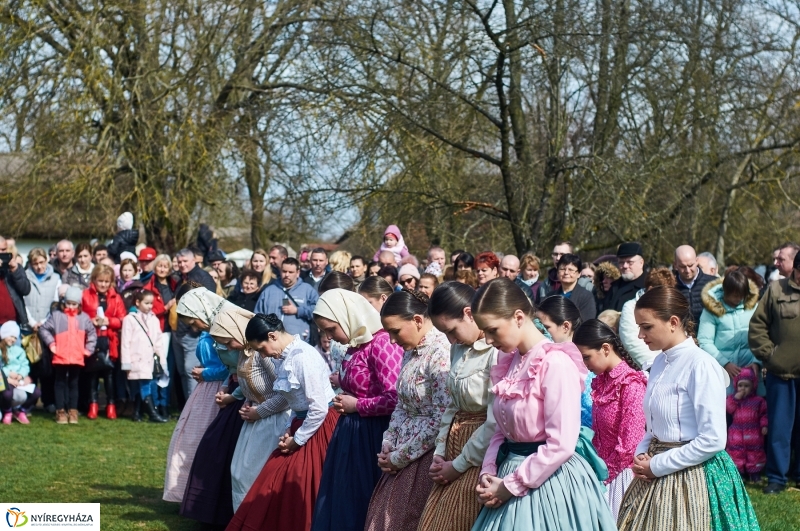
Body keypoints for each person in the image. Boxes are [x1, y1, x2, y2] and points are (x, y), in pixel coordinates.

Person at [469, 278, 615, 531]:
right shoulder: (510, 361)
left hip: (550, 482)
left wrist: (511, 485)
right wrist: (488, 471)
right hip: (506, 475)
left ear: (517, 317)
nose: (489, 340)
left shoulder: (555, 363)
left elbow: (561, 444)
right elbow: (499, 429)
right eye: (485, 331)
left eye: (493, 330)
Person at [616, 286, 758, 530]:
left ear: (673, 322)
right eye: (639, 326)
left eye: (646, 326)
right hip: (653, 469)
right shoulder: (660, 361)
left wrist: (657, 466)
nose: (640, 335)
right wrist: (642, 453)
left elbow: (713, 439)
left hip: (693, 476)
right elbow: (654, 423)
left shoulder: (701, 365)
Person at [226, 314, 339, 531]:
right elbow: (294, 402)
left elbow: (319, 407)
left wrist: (297, 439)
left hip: (321, 427)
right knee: (275, 480)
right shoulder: (284, 358)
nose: (262, 354)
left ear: (272, 336)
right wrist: (290, 428)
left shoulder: (302, 356)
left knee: (303, 484)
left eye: (261, 349)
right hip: (301, 424)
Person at [311, 289, 404, 531]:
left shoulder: (382, 343)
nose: (330, 336)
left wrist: (358, 405)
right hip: (351, 433)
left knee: (360, 498)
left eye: (332, 329)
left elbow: (395, 397)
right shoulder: (356, 345)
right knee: (342, 497)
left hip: (372, 435)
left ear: (347, 317)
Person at [363, 289, 450, 531]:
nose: (391, 340)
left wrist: (400, 458)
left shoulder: (441, 352)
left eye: (395, 331)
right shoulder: (410, 350)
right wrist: (388, 441)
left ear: (418, 320)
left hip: (425, 456)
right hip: (401, 452)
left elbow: (441, 418)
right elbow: (402, 404)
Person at [417, 282, 497, 531]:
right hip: (453, 448)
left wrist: (459, 465)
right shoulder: (457, 349)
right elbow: (452, 404)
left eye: (452, 330)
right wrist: (440, 451)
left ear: (469, 313)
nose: (450, 339)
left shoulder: (497, 351)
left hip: (479, 452)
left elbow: (495, 421)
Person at [208, 307, 291, 515]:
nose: (227, 347)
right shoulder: (244, 353)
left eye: (228, 341)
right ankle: (245, 521)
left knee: (254, 475)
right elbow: (248, 384)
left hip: (273, 421)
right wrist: (239, 397)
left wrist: (260, 411)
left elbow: (285, 394)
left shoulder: (263, 353)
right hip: (255, 420)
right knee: (240, 474)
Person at [573, 319, 647, 519]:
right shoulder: (602, 382)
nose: (585, 364)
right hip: (601, 472)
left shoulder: (631, 384)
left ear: (605, 348)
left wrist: (603, 477)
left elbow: (629, 446)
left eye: (586, 357)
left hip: (622, 477)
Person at [165, 287, 232, 503]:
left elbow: (229, 367)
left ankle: (205, 495)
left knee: (207, 442)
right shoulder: (206, 332)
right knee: (187, 442)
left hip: (218, 388)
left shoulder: (220, 332)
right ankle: (187, 492)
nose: (194, 327)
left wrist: (206, 372)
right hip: (204, 390)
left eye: (194, 322)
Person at [748, 252, 800, 494]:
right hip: (782, 373)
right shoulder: (777, 290)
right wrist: (771, 355)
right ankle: (777, 478)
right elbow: (758, 326)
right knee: (779, 428)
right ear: (796, 269)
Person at [39, 286, 97, 425]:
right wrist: (52, 344)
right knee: (59, 383)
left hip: (77, 356)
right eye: (68, 303)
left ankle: (73, 410)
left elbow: (92, 333)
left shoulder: (83, 318)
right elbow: (44, 329)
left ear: (79, 304)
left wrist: (88, 349)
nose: (71, 306)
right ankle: (60, 411)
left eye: (74, 304)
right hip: (60, 355)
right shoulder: (57, 316)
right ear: (64, 302)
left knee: (73, 383)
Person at [698, 269, 761, 394]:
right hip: (723, 376)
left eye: (742, 294)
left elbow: (762, 336)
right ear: (726, 291)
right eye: (735, 294)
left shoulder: (754, 307)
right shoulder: (711, 310)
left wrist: (757, 362)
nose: (739, 298)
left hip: (750, 377)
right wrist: (724, 363)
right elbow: (705, 341)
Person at [536, 295, 594, 428]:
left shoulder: (586, 361)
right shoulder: (540, 356)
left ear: (566, 326)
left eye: (546, 327)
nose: (540, 333)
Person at [81, 264, 126, 420]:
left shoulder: (116, 296)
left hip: (109, 339)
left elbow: (122, 319)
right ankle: (92, 405)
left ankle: (111, 405)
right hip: (91, 339)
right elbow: (79, 316)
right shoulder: (85, 294)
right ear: (94, 280)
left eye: (107, 282)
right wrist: (90, 321)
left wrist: (108, 320)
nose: (103, 285)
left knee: (109, 374)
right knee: (92, 373)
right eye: (100, 281)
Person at [172, 248, 216, 396]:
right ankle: (186, 407)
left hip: (192, 333)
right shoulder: (181, 277)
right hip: (179, 331)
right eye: (179, 262)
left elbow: (209, 304)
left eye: (185, 261)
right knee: (183, 372)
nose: (182, 264)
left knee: (191, 371)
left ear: (194, 260)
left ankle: (192, 406)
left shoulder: (203, 277)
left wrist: (194, 329)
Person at [23, 247, 61, 412]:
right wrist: (31, 322)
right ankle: (30, 401)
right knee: (31, 368)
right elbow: (21, 302)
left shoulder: (56, 278)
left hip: (47, 328)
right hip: (28, 329)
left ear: (47, 260)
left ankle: (48, 401)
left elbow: (56, 303)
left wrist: (44, 322)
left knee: (47, 368)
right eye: (35, 263)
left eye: (41, 262)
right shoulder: (24, 278)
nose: (39, 266)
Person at [120, 289, 167, 423]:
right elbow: (125, 342)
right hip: (136, 358)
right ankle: (152, 414)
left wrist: (162, 360)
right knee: (143, 385)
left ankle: (136, 413)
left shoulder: (154, 319)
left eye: (151, 303)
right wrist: (126, 362)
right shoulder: (129, 319)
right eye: (146, 303)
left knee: (142, 384)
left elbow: (158, 342)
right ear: (138, 302)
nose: (150, 306)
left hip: (149, 358)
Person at [618, 267, 676, 371]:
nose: (664, 296)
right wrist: (653, 366)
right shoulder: (630, 307)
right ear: (650, 289)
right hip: (645, 369)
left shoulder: (668, 306)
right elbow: (632, 342)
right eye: (661, 293)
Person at [255, 258, 319, 343]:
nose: (287, 275)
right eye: (284, 271)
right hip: (272, 343)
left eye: (291, 272)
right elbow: (257, 315)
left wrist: (297, 310)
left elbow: (317, 312)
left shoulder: (307, 290)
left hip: (298, 343)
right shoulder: (269, 291)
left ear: (298, 273)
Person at [726, 367, 768, 482]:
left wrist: (764, 425)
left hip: (754, 433)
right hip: (736, 433)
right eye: (740, 385)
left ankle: (755, 473)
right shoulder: (732, 399)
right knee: (736, 453)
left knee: (755, 454)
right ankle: (740, 473)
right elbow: (729, 409)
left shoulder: (758, 401)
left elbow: (763, 414)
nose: (743, 388)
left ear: (753, 386)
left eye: (746, 386)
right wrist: (735, 399)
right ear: (736, 386)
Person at [1, 321, 41, 424]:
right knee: (7, 394)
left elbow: (25, 365)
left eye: (15, 337)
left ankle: (21, 411)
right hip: (6, 379)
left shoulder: (19, 351)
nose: (13, 340)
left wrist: (21, 375)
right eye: (11, 336)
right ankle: (7, 411)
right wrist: (8, 374)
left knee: (36, 392)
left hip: (19, 379)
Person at [673, 245, 716, 324]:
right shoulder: (670, 287)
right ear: (675, 265)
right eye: (682, 266)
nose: (687, 270)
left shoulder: (713, 283)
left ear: (697, 261)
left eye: (690, 265)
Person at [552, 254, 597, 322]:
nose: (566, 272)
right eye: (562, 269)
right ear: (557, 272)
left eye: (571, 270)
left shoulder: (586, 297)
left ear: (579, 274)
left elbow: (587, 322)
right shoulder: (550, 296)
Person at [0, 236, 31, 327]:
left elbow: (26, 290)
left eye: (3, 249)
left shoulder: (15, 267)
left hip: (13, 324)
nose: (1, 253)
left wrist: (15, 271)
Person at [606, 242, 647, 311]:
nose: (625, 266)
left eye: (630, 262)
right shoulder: (614, 287)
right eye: (621, 262)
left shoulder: (649, 287)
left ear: (641, 263)